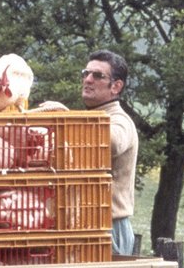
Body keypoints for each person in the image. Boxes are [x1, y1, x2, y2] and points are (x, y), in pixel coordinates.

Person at [37, 49, 138, 256]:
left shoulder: (120, 120)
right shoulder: (91, 117)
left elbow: (113, 142)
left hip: (108, 227)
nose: (88, 79)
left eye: (98, 75)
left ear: (116, 86)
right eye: (86, 73)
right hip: (83, 224)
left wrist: (68, 118)